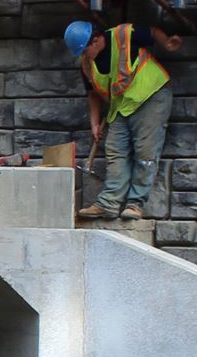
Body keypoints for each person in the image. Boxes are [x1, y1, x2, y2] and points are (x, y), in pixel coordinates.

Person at [66, 13, 179, 221]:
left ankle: (135, 204)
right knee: (115, 150)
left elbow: (152, 32)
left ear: (96, 40)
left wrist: (167, 43)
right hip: (122, 105)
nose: (85, 55)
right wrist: (94, 123)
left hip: (150, 95)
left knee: (145, 151)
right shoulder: (87, 64)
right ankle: (109, 203)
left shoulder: (123, 35)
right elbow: (92, 94)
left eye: (85, 50)